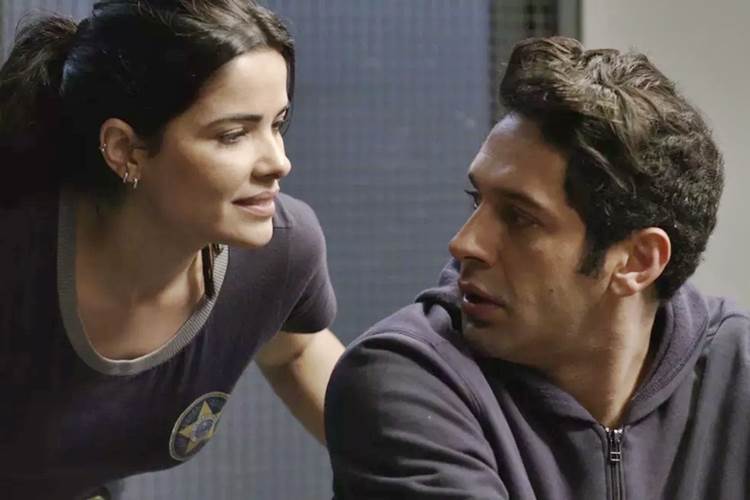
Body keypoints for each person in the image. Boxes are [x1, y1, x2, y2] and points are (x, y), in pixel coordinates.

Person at [325, 36, 750, 499]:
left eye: (520, 218)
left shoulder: (738, 370)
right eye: (477, 200)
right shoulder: (405, 380)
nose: (464, 243)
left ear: (638, 261)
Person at [0, 1, 344, 498]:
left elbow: (296, 352)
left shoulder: (280, 253)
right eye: (233, 135)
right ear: (125, 148)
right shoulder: (16, 250)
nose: (279, 162)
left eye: (277, 124)